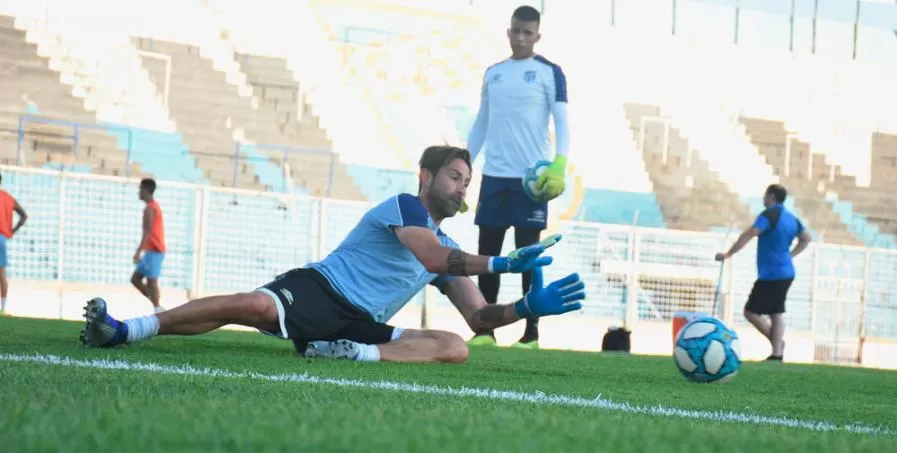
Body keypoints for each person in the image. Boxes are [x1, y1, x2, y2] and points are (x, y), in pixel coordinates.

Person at [80, 146, 586, 364]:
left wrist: (525, 310)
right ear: (427, 178)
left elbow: (478, 316)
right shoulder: (405, 206)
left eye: (466, 182)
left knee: (453, 346)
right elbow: (431, 257)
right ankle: (125, 330)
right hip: (321, 289)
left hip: (360, 325)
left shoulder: (451, 245)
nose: (461, 188)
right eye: (454, 177)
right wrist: (500, 263)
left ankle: (348, 354)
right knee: (253, 307)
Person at [465, 5, 571, 349]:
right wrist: (465, 165)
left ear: (537, 35)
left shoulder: (550, 72)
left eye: (528, 33)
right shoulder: (493, 73)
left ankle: (531, 333)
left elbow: (563, 121)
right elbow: (481, 122)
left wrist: (560, 164)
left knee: (527, 257)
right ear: (508, 32)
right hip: (494, 177)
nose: (521, 38)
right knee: (489, 258)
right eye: (516, 31)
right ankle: (485, 329)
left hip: (531, 181)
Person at [715, 184, 811, 362]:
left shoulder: (770, 215)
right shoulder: (792, 218)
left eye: (765, 196)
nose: (763, 199)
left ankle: (778, 345)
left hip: (772, 274)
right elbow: (806, 238)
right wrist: (790, 255)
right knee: (776, 312)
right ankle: (777, 352)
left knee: (750, 312)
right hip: (786, 271)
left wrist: (728, 253)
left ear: (772, 197)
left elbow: (751, 233)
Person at [132, 178, 166, 313]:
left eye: (140, 189)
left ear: (145, 190)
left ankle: (158, 309)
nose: (138, 192)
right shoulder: (151, 207)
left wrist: (138, 251)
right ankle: (156, 304)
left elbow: (148, 230)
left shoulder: (151, 208)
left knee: (152, 281)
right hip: (150, 250)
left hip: (155, 250)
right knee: (136, 279)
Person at [0, 174, 27, 315]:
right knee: (1, 275)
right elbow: (24, 215)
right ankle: (3, 309)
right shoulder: (8, 198)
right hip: (2, 238)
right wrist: (12, 231)